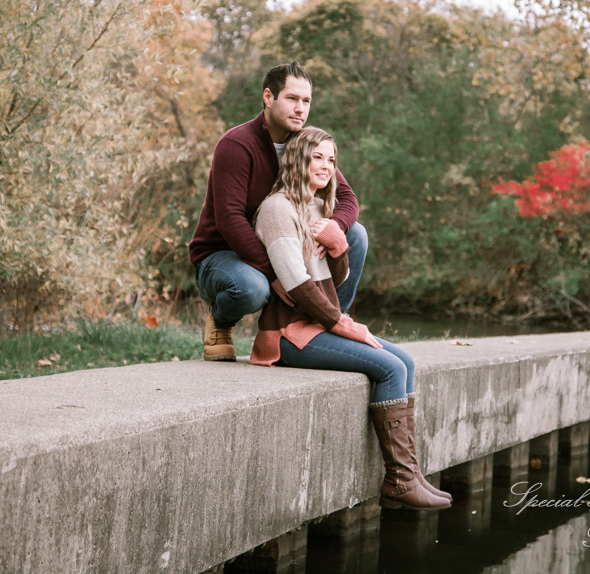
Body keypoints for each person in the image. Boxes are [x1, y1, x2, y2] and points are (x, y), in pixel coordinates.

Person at [251, 127, 452, 511]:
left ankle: (410, 473)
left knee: (406, 362)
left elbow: (335, 279)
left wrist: (338, 244)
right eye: (317, 157)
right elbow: (295, 283)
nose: (326, 166)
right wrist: (342, 323)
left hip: (315, 326)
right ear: (298, 159)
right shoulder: (278, 209)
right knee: (391, 368)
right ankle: (399, 480)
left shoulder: (317, 208)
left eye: (331, 159)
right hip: (288, 334)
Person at [189, 61, 368, 361]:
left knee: (356, 235)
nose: (300, 108)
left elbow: (347, 198)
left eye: (306, 101)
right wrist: (273, 274)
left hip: (283, 244)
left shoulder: (304, 144)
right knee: (252, 288)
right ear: (268, 97)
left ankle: (333, 318)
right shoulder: (237, 145)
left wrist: (333, 228)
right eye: (292, 98)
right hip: (223, 254)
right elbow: (230, 219)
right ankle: (220, 321)